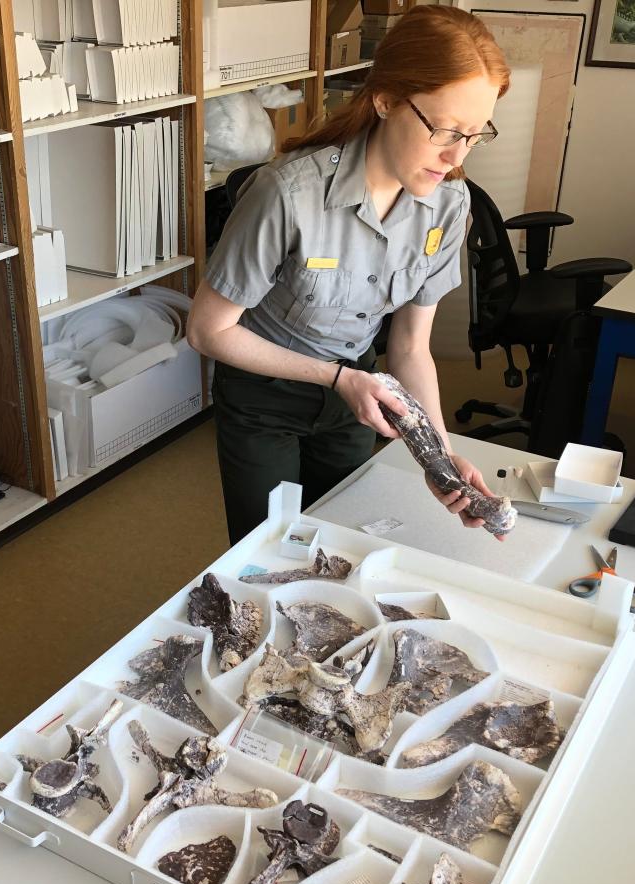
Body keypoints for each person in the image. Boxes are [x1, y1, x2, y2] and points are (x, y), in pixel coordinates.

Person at [187, 6, 511, 544]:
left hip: (357, 392)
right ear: (385, 99)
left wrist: (440, 454)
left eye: (476, 135)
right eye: (445, 130)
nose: (457, 156)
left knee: (344, 539)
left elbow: (409, 347)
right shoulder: (286, 194)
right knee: (267, 551)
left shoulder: (450, 205)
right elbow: (207, 330)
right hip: (267, 393)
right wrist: (339, 378)